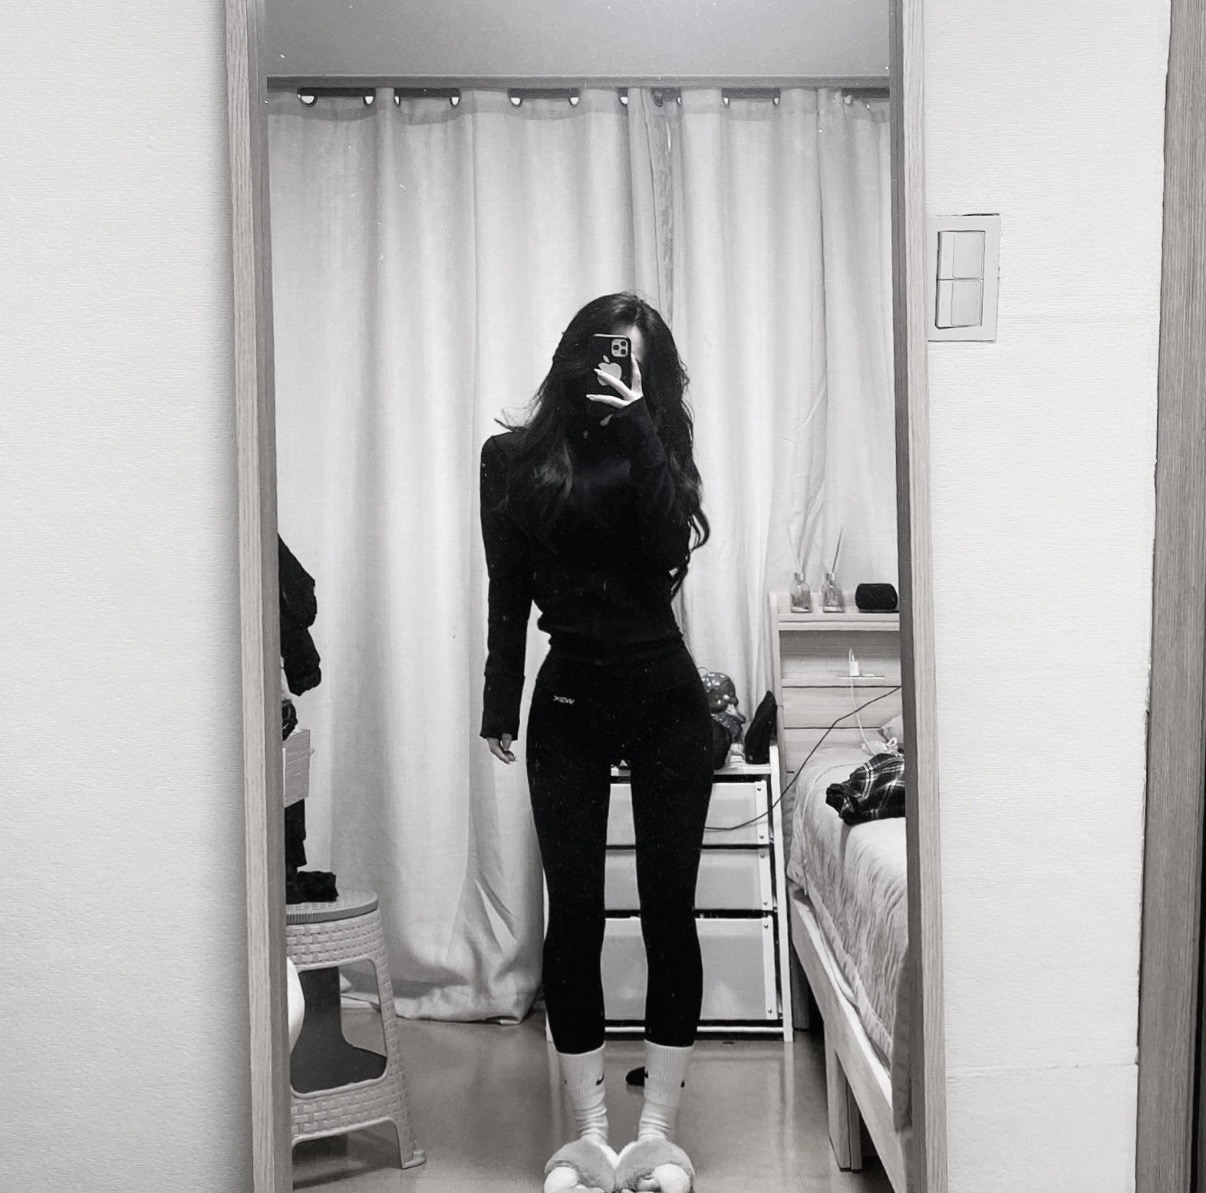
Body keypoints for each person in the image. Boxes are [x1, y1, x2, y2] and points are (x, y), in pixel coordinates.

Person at [479, 293, 715, 1193]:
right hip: (569, 696)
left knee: (668, 912)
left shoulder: (658, 446)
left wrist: (643, 428)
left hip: (665, 697)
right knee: (574, 916)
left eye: (637, 361)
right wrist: (500, 701)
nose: (619, 370)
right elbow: (508, 587)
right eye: (608, 352)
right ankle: (589, 1139)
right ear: (575, 355)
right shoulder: (512, 460)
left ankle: (655, 1138)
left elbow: (664, 547)